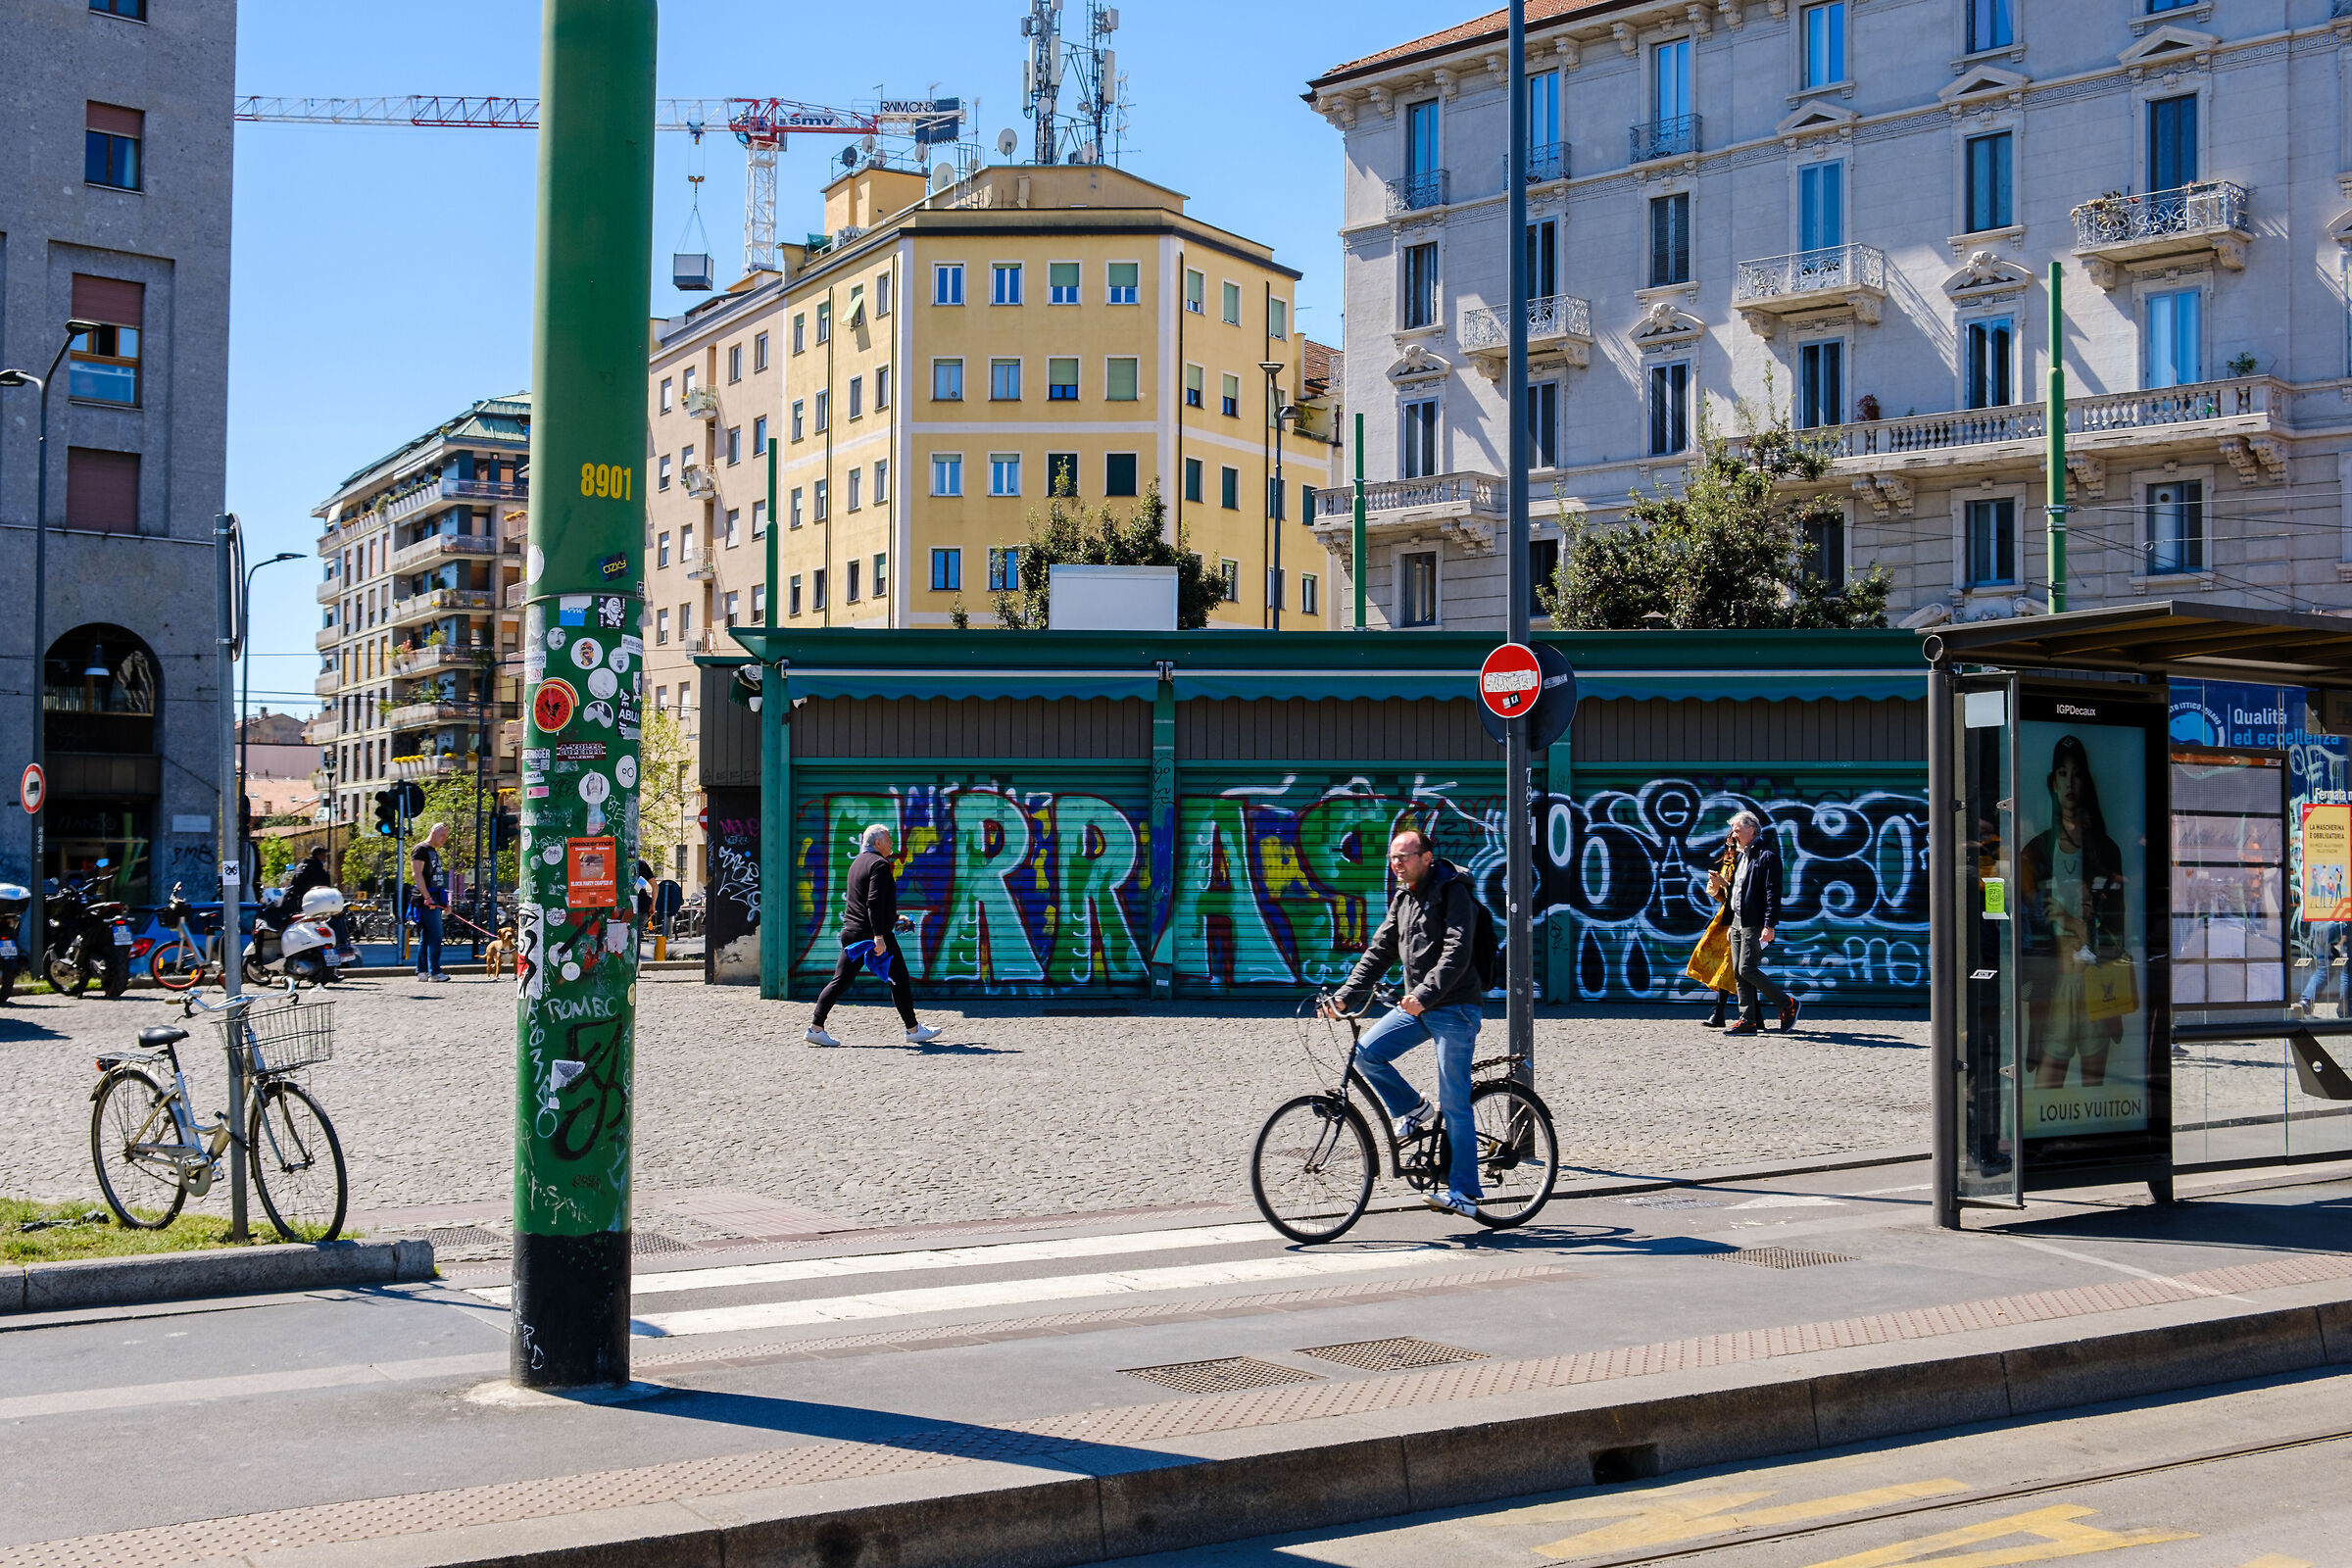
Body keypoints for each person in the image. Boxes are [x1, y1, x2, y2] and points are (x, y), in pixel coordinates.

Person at [1324, 827, 1488, 1220]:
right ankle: (1413, 1109)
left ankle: (1465, 1192)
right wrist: (1345, 995)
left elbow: (1457, 951)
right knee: (1366, 1054)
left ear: (1427, 858)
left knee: (1455, 1101)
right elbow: (1379, 951)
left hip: (1454, 1007)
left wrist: (1424, 995)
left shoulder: (1454, 892)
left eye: (1404, 857)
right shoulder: (1404, 898)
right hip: (1419, 1006)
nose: (1396, 864)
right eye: (1392, 857)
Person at [2020, 735, 2124, 1089]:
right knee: (2048, 1079)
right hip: (2055, 983)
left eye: (2076, 774)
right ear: (2053, 783)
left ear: (2085, 782)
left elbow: (2116, 927)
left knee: (2095, 1081)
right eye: (2062, 774)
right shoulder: (2035, 852)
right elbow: (2027, 925)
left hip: (2097, 981)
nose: (2069, 783)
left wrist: (2074, 922)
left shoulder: (2106, 851)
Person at [806, 824, 940, 1046]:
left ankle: (815, 1028)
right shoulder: (879, 864)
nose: (892, 843)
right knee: (899, 978)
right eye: (888, 839)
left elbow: (864, 903)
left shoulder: (857, 863)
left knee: (840, 981)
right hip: (870, 936)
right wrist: (879, 936)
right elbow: (873, 903)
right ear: (877, 843)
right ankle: (913, 1030)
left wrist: (895, 918)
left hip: (853, 932)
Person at [1723, 810, 1799, 1035]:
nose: (1733, 835)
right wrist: (1731, 922)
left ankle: (1787, 1003)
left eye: (1737, 830)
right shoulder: (1741, 856)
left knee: (1747, 968)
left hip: (1754, 922)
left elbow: (1772, 894)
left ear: (1752, 830)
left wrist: (1769, 925)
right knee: (1738, 972)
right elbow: (1736, 891)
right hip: (1738, 921)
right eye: (1733, 831)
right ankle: (1748, 1020)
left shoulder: (1767, 857)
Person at [277, 844, 356, 963]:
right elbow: (324, 888)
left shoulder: (301, 867)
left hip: (304, 906)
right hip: (317, 906)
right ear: (318, 855)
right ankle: (339, 947)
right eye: (324, 855)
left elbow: (295, 886)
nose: (325, 858)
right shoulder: (317, 869)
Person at [411, 821, 452, 982]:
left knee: (427, 935)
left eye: (446, 836)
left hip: (434, 898)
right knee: (436, 934)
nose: (444, 839)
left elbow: (436, 879)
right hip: (427, 899)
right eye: (442, 835)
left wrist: (444, 902)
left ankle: (422, 971)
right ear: (433, 832)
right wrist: (427, 897)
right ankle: (434, 972)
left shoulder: (432, 851)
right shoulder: (421, 849)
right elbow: (417, 874)